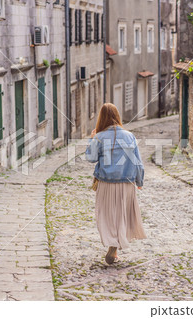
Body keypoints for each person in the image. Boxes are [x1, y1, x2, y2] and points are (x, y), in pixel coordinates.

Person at [85, 103, 147, 265]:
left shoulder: (99, 137)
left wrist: (92, 139)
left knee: (106, 215)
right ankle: (116, 245)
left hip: (106, 183)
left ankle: (112, 243)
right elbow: (138, 163)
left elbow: (91, 158)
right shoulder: (129, 136)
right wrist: (139, 180)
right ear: (117, 116)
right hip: (126, 183)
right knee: (122, 214)